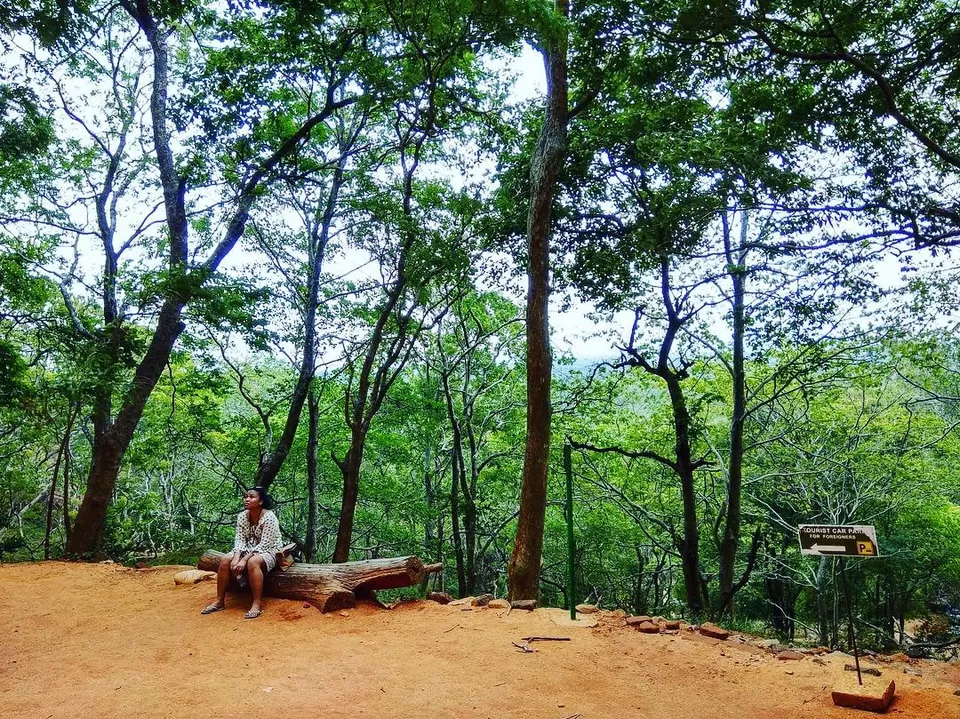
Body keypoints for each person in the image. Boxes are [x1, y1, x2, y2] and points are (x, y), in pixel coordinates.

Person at [201, 486, 282, 619]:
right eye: (246, 497)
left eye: (251, 497)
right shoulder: (242, 516)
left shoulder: (269, 517)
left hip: (270, 549)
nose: (247, 499)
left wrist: (244, 560)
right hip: (247, 548)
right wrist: (237, 557)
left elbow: (265, 544)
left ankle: (257, 603)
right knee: (226, 559)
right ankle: (219, 601)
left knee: (253, 562)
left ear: (260, 501)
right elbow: (239, 539)